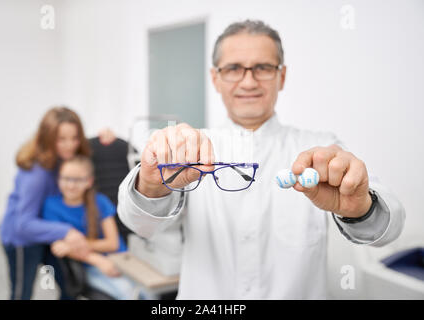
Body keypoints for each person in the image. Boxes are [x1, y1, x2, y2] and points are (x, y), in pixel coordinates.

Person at [117, 20, 406, 299]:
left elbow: (385, 231)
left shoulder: (321, 148)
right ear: (215, 78)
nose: (248, 80)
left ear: (281, 76)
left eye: (263, 68)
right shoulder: (189, 148)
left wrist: (361, 210)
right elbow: (142, 225)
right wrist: (152, 185)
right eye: (233, 68)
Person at [0, 107, 93, 299]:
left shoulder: (65, 160)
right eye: (62, 139)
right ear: (48, 138)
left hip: (47, 234)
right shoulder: (36, 175)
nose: (70, 145)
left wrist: (106, 136)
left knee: (70, 288)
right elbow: (23, 224)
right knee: (21, 294)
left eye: (74, 138)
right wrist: (67, 231)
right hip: (22, 241)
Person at [43, 155, 139, 300]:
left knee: (148, 293)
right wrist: (98, 260)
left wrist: (72, 246)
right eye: (65, 178)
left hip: (121, 259)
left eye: (77, 180)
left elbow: (112, 244)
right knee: (128, 293)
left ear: (89, 182)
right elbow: (59, 247)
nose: (70, 185)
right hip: (90, 265)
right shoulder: (51, 206)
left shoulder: (100, 202)